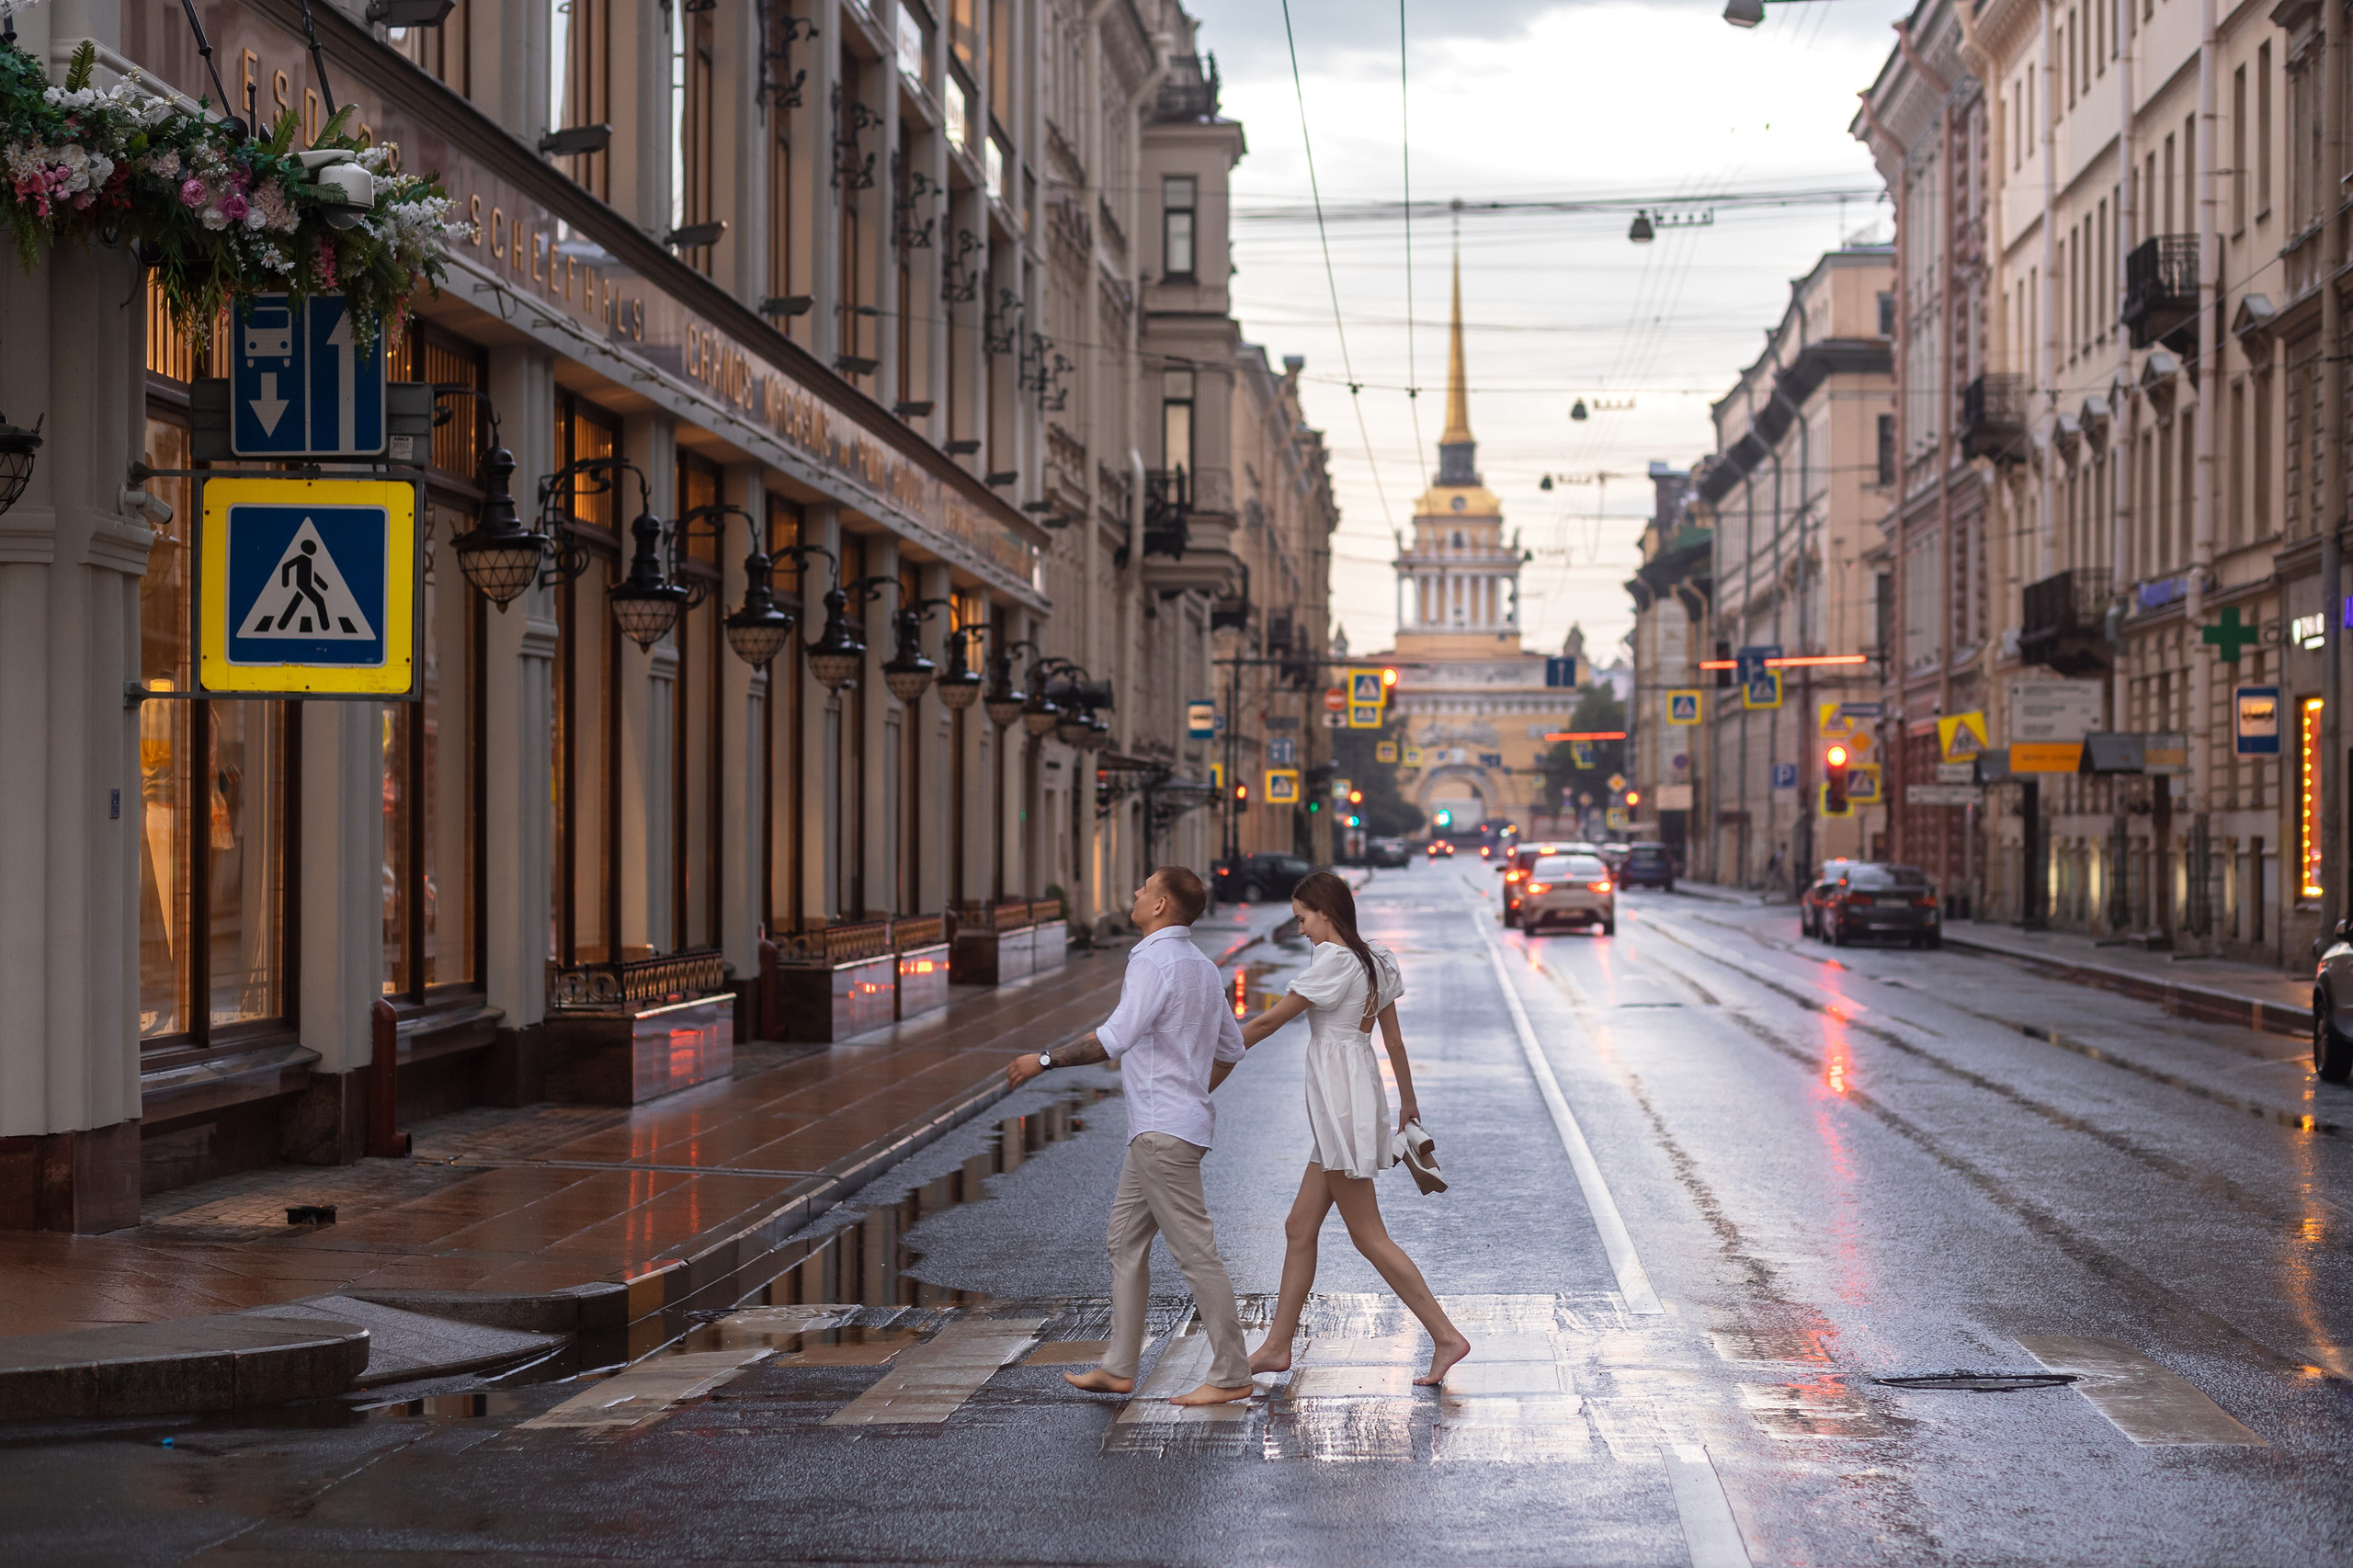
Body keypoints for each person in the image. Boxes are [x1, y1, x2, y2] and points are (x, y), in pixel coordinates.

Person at [1005, 865, 1255, 1406]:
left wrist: (1042, 1060)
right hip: (1166, 1129)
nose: (1135, 893)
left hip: (1162, 1133)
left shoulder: (1153, 959)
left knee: (1195, 1253)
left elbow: (1114, 1038)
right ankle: (1119, 1367)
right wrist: (1193, 1092)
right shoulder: (1203, 967)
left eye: (1144, 888)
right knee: (1124, 1240)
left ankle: (1232, 1372)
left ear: (1162, 905)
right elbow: (1231, 1050)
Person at [1239, 870, 1471, 1386]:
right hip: (1354, 1095)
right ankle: (1277, 1346)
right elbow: (1394, 1042)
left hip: (1341, 1104)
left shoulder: (1334, 959)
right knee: (1300, 1227)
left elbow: (1270, 1022)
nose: (1301, 930)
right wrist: (1408, 1102)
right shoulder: (1373, 958)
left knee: (1369, 1236)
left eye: (1303, 919)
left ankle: (1447, 1337)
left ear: (1325, 912)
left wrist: (1211, 1058)